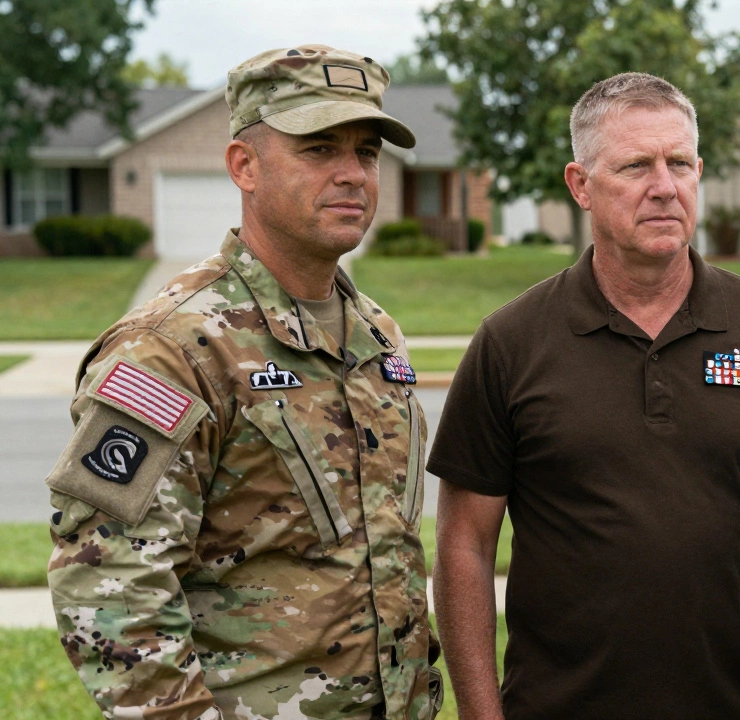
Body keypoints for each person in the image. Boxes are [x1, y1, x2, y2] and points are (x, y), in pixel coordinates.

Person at [45, 45, 443, 719]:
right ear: (244, 166)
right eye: (319, 149)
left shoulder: (377, 338)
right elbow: (110, 587)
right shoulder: (173, 349)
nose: (352, 175)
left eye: (367, 153)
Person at [429, 72, 740, 720]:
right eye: (635, 165)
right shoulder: (510, 343)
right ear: (580, 184)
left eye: (679, 163)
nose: (664, 186)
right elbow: (464, 547)